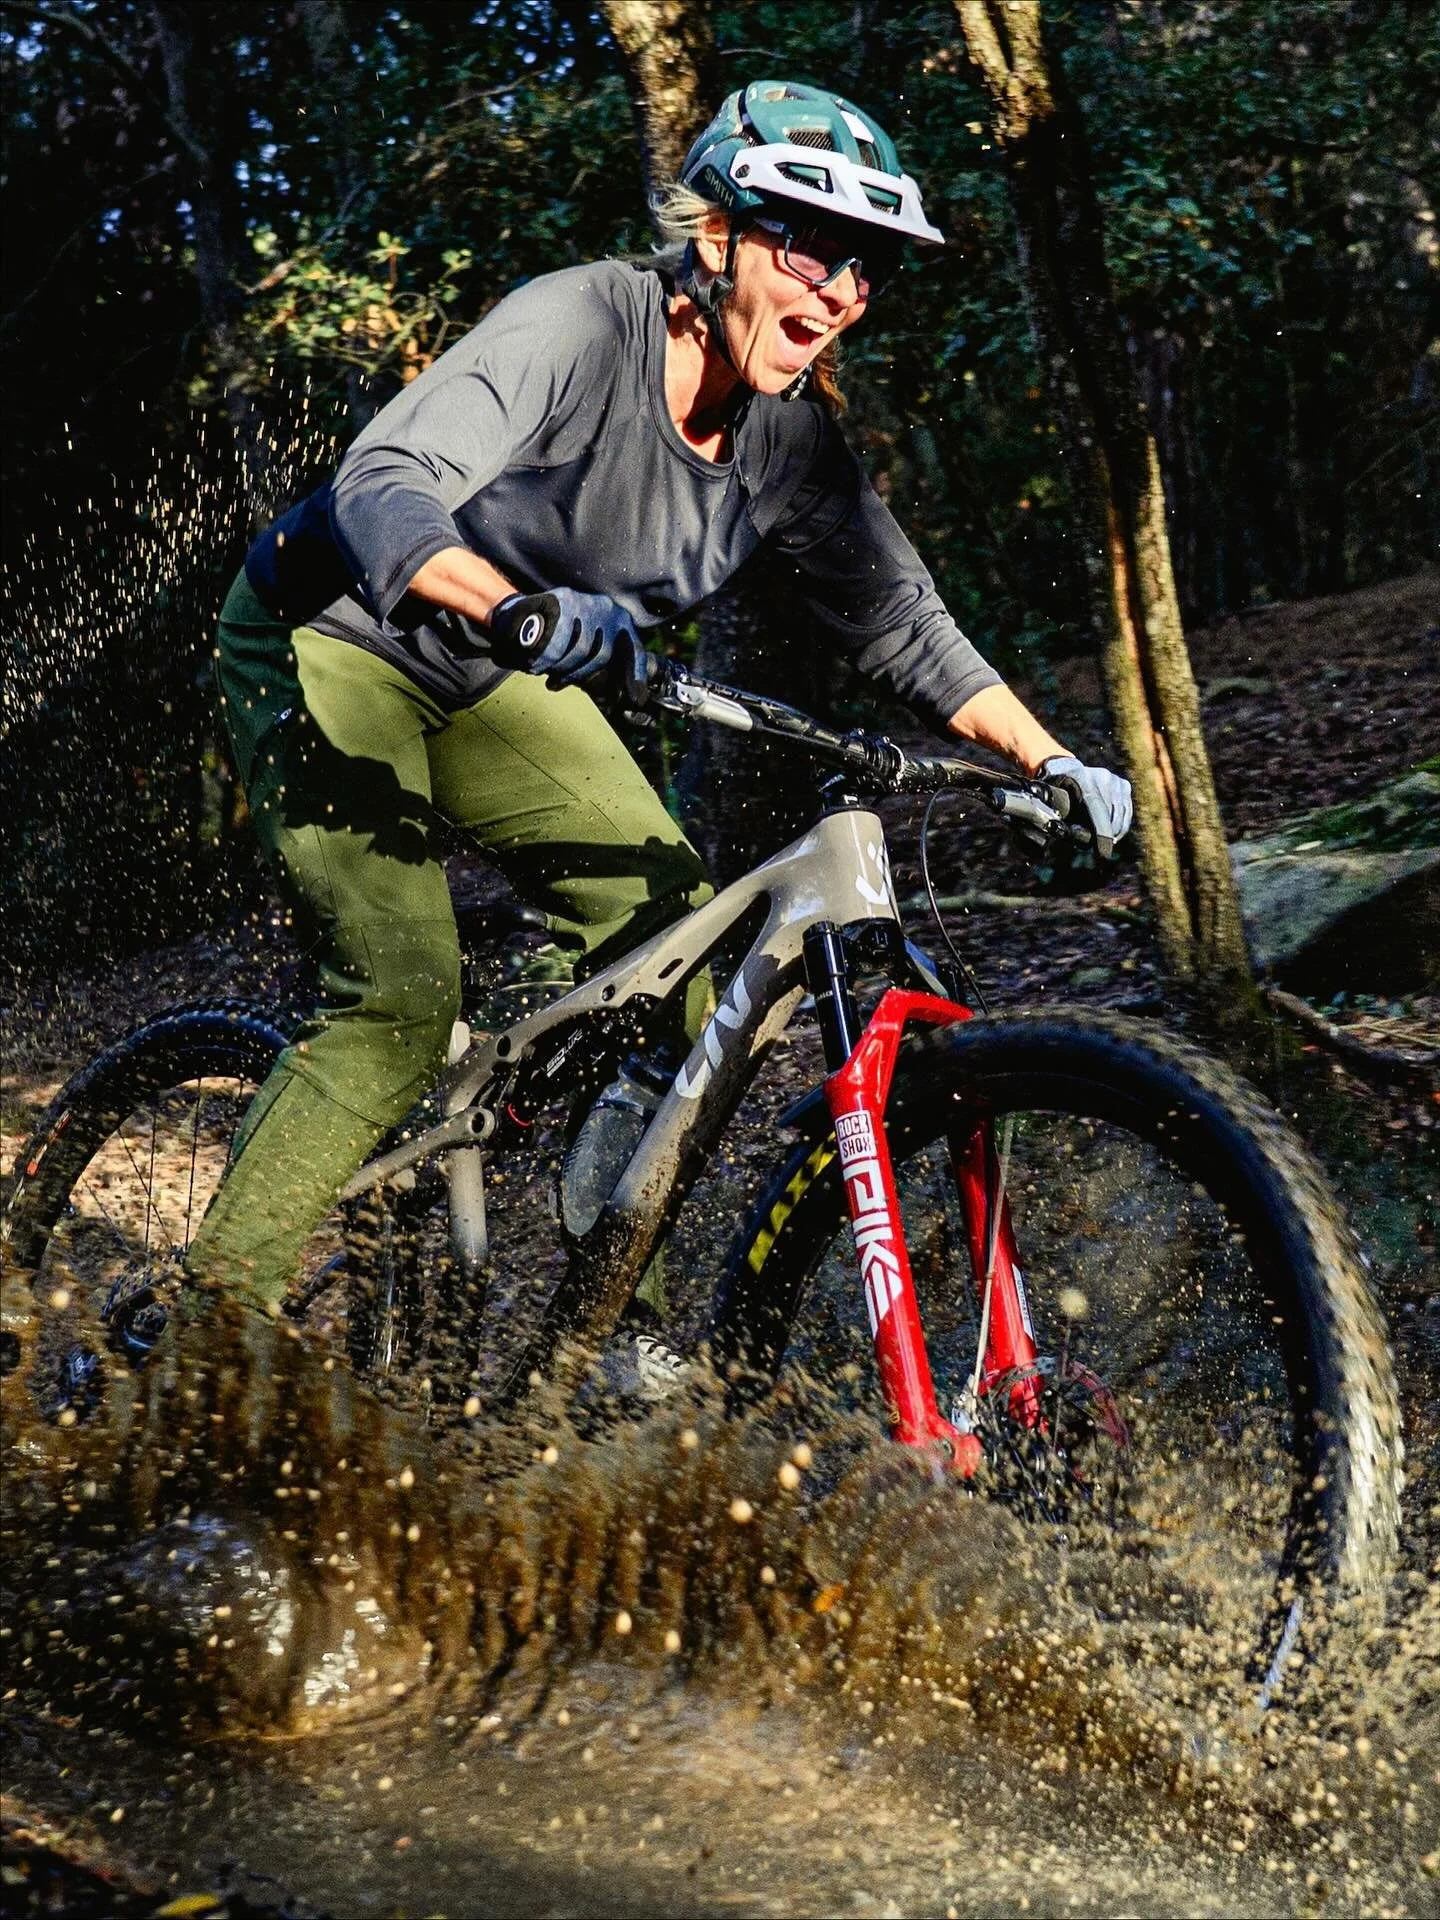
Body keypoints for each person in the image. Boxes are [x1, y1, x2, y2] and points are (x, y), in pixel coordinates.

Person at [182, 78, 1132, 1318]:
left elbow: (902, 621)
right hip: (333, 629)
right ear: (718, 236)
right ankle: (196, 1342)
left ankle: (607, 1314)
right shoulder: (578, 325)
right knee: (401, 999)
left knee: (684, 953)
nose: (841, 291)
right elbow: (384, 479)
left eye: (868, 268)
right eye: (814, 247)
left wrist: (1052, 763)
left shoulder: (788, 444)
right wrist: (513, 607)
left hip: (496, 671)